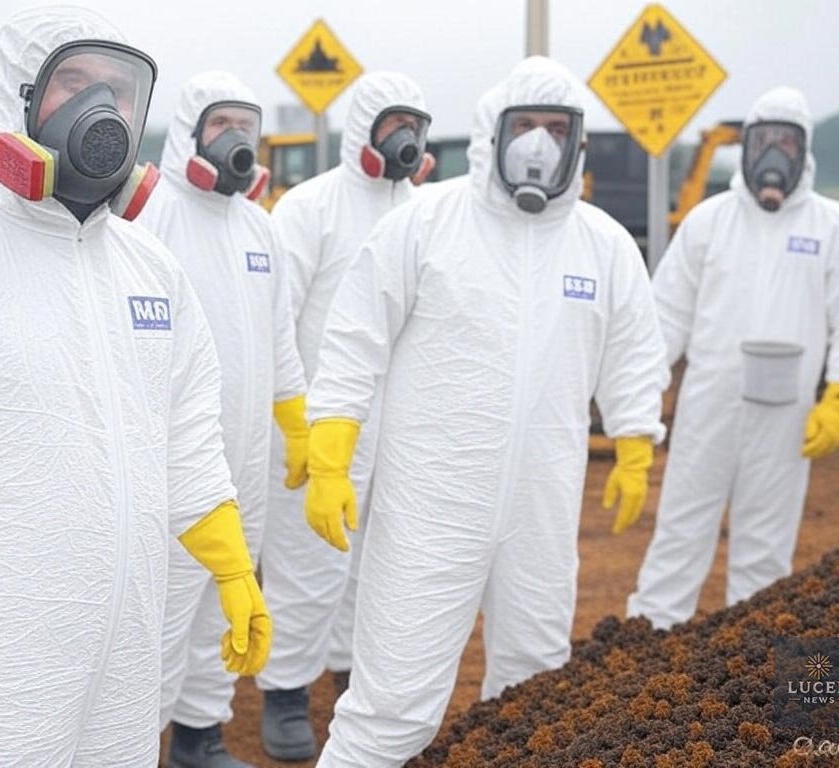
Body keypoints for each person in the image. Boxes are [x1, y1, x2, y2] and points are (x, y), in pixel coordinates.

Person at [0, 8, 270, 767]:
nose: (100, 109)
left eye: (118, 91)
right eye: (73, 82)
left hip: (122, 669)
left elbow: (186, 434)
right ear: (17, 95)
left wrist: (232, 564)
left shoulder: (150, 271)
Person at [302, 56, 668, 767]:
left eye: (556, 129)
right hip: (430, 508)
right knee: (392, 704)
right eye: (525, 124)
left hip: (542, 508)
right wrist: (332, 448)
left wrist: (634, 440)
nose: (539, 144)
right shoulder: (426, 222)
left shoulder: (603, 245)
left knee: (534, 696)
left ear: (579, 142)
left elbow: (633, 350)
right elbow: (354, 336)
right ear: (490, 131)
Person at [627, 86, 839, 630]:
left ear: (804, 151)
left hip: (786, 416)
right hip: (707, 409)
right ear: (748, 146)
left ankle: (749, 661)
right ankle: (648, 644)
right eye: (765, 140)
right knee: (679, 536)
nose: (775, 153)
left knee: (765, 552)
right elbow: (665, 318)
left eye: (788, 142)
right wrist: (637, 402)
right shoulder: (708, 222)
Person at [256, 71, 434, 761]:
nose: (405, 138)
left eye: (414, 126)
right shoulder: (310, 208)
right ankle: (284, 691)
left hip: (398, 428)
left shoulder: (425, 214)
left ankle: (351, 679)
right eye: (393, 124)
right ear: (364, 126)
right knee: (308, 566)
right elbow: (276, 319)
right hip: (319, 423)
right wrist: (296, 418)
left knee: (376, 566)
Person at [135, 71, 306, 768]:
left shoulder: (260, 226)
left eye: (246, 125)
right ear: (190, 131)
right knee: (162, 611)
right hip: (172, 460)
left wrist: (297, 421)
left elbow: (280, 338)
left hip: (247, 458)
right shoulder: (152, 213)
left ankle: (199, 736)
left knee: (224, 602)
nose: (236, 137)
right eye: (221, 123)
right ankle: (132, 744)